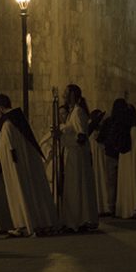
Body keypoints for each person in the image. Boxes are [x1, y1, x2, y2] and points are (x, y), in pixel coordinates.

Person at [0, 94, 57, 237]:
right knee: (30, 193)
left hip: (14, 165)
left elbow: (5, 146)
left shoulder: (7, 124)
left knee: (18, 193)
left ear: (0, 108)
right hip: (24, 165)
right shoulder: (19, 121)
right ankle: (39, 222)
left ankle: (22, 224)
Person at [43, 85, 99, 231]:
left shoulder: (78, 112)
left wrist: (62, 136)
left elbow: (81, 136)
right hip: (71, 155)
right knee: (73, 189)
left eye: (66, 93)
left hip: (77, 156)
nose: (63, 95)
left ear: (73, 95)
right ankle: (74, 220)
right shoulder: (72, 112)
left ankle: (80, 220)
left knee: (77, 188)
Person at [88, 108, 115, 217]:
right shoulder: (93, 135)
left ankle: (105, 206)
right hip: (97, 163)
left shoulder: (98, 134)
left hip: (101, 163)